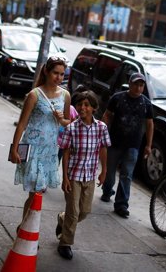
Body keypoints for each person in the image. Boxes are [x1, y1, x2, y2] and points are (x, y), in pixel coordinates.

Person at [10, 56, 72, 227]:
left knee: (38, 192)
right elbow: (22, 123)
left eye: (62, 74)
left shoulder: (65, 95)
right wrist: (14, 149)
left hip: (50, 150)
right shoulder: (34, 95)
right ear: (46, 71)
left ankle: (24, 227)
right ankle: (25, 229)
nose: (58, 77)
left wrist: (62, 119)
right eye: (55, 73)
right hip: (32, 148)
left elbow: (68, 121)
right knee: (35, 192)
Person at [55, 90, 110, 260]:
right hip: (73, 175)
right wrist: (64, 177)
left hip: (90, 175)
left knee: (84, 211)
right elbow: (65, 152)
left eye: (86, 105)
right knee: (74, 211)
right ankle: (65, 243)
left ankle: (62, 220)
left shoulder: (101, 127)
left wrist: (104, 171)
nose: (82, 107)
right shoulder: (71, 128)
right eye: (80, 104)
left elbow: (103, 149)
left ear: (94, 108)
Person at [100, 72, 154, 218]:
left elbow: (149, 124)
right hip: (114, 142)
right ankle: (107, 190)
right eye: (135, 84)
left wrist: (148, 145)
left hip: (133, 146)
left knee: (127, 175)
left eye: (141, 85)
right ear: (130, 84)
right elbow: (107, 115)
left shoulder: (146, 104)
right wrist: (102, 134)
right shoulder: (118, 98)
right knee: (110, 171)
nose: (138, 87)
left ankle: (121, 204)